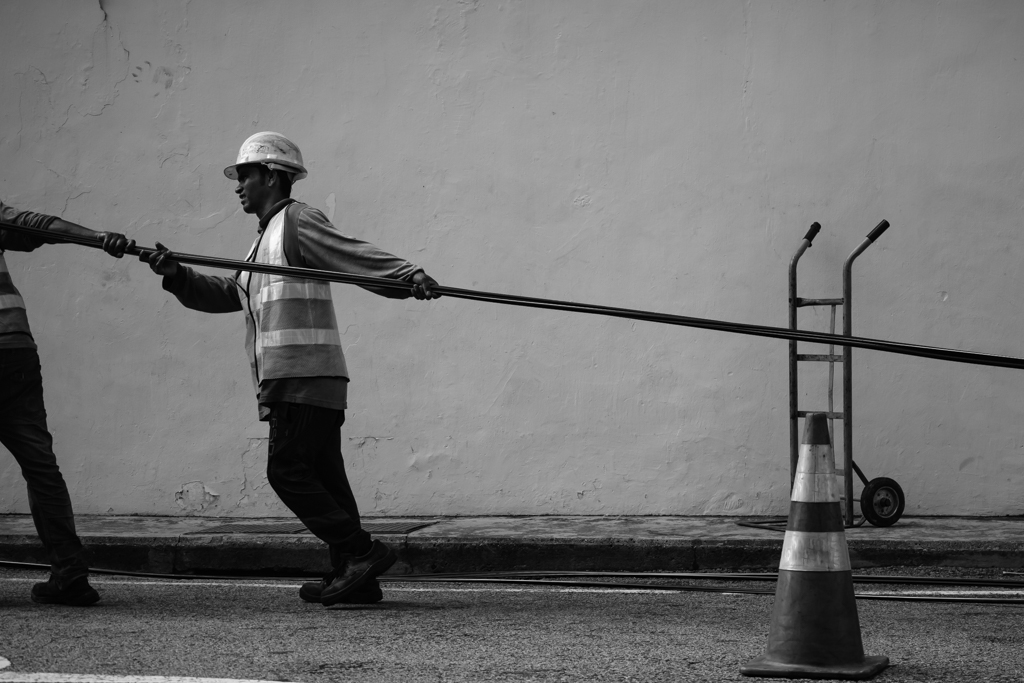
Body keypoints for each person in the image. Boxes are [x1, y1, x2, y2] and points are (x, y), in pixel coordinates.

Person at [139, 132, 440, 607]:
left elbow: (350, 254)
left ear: (272, 176)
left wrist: (406, 276)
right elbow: (230, 294)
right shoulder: (263, 241)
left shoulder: (297, 222)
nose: (237, 185)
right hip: (302, 376)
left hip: (301, 374)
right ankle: (354, 576)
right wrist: (177, 276)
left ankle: (361, 554)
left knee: (287, 471)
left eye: (244, 175)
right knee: (324, 477)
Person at [0, 201, 130, 606]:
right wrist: (96, 238)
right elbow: (32, 227)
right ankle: (70, 574)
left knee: (42, 468)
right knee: (41, 467)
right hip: (14, 350)